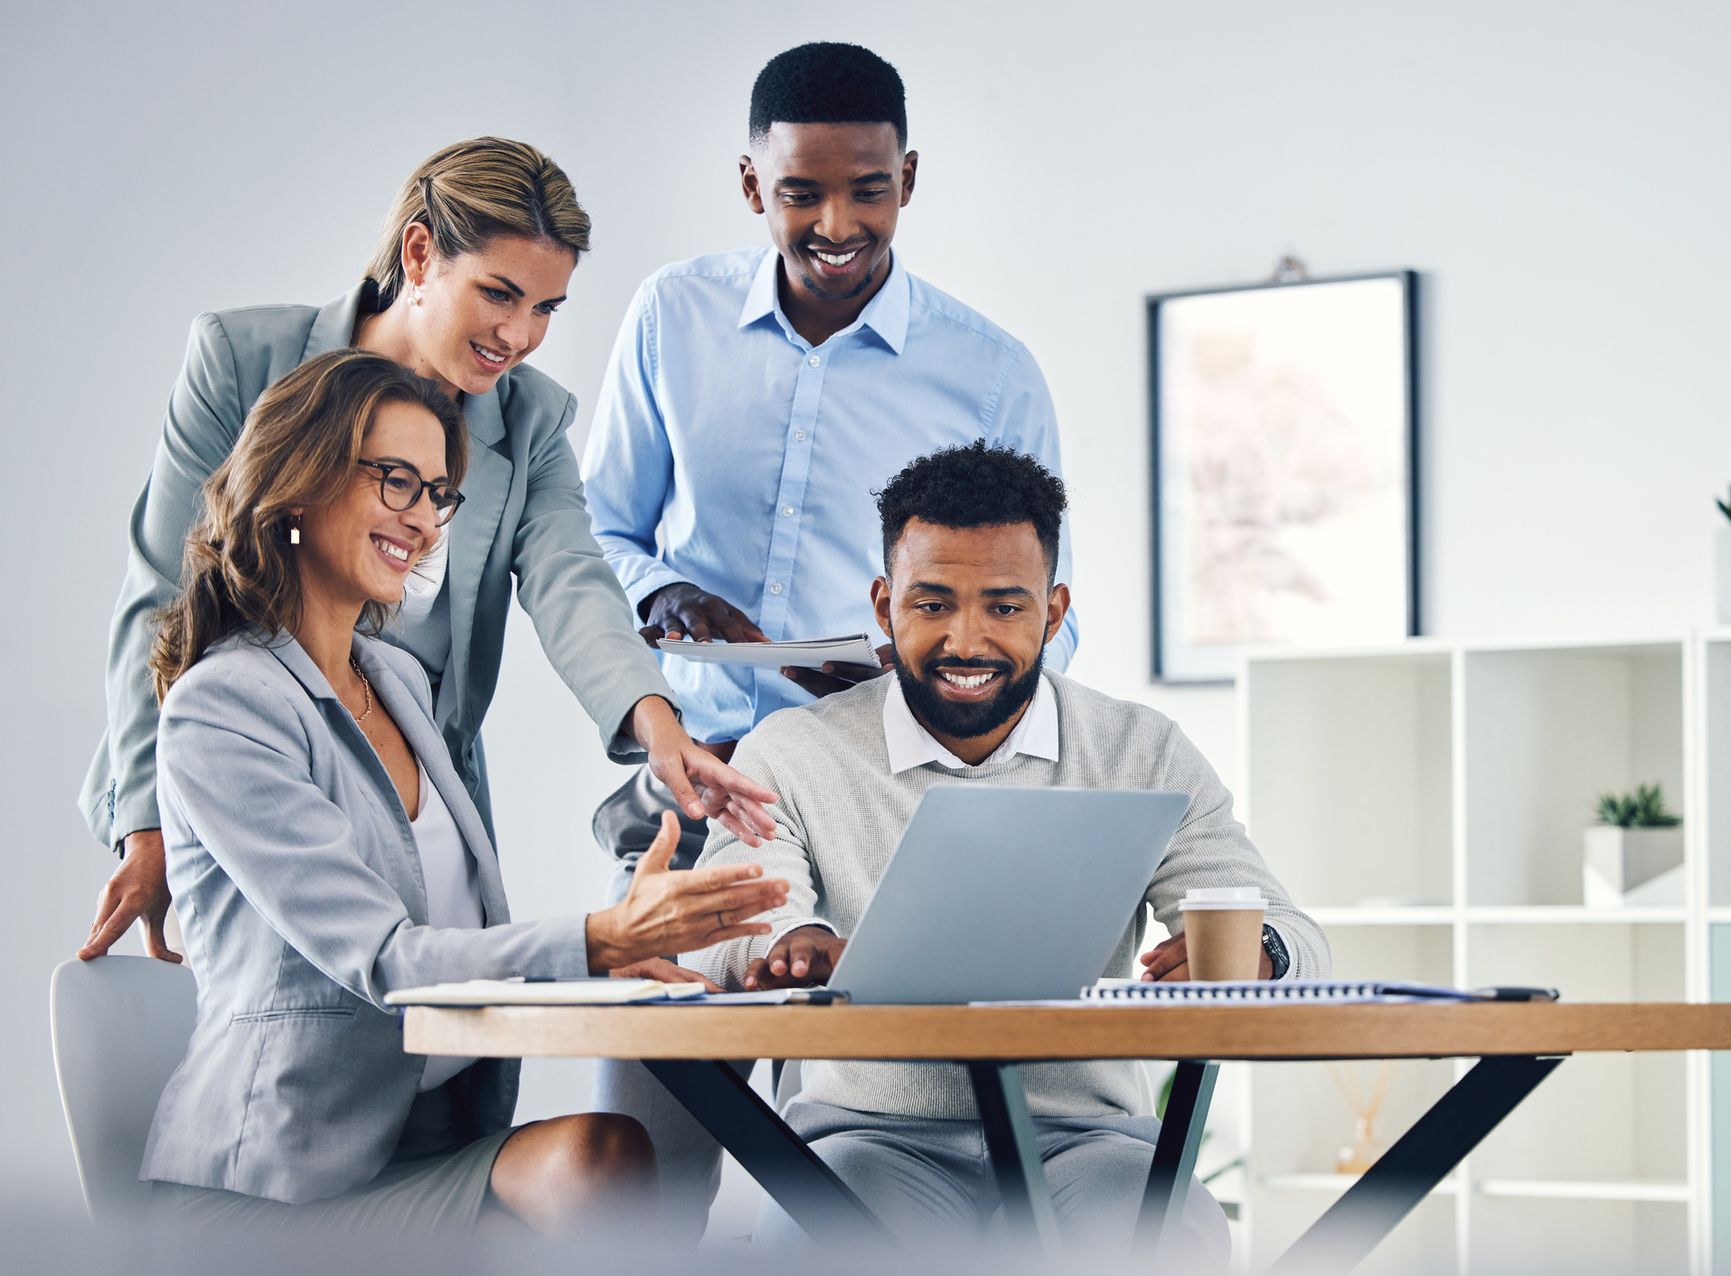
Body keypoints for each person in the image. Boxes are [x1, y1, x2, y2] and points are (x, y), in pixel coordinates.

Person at [579, 43, 1077, 1218]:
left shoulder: (991, 373)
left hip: (876, 804)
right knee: (641, 1156)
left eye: (867, 188)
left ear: (909, 178)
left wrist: (912, 666)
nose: (836, 221)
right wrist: (661, 595)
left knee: (863, 1167)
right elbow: (591, 532)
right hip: (686, 795)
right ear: (754, 186)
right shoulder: (672, 318)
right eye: (802, 192)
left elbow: (1040, 626)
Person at [79, 136, 776, 974]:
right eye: (499, 294)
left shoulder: (528, 422)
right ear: (420, 253)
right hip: (254, 766)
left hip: (419, 782)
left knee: (444, 1049)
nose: (519, 335)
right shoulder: (243, 362)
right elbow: (163, 591)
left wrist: (663, 731)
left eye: (548, 308)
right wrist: (148, 822)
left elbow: (572, 581)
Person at [140, 348, 789, 1232]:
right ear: (299, 484)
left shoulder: (398, 681)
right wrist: (594, 941)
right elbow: (388, 959)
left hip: (438, 1143)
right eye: (396, 482)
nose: (424, 521)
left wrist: (612, 960)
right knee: (601, 1165)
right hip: (277, 1187)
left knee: (612, 1151)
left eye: (438, 494)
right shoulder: (224, 706)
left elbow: (463, 939)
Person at [684, 442, 1329, 1258]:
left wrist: (1258, 955)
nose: (967, 640)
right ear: (884, 606)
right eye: (932, 605)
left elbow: (1288, 929)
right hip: (869, 1141)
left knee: (1159, 1239)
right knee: (818, 1245)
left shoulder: (1140, 748)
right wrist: (781, 946)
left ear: (1054, 613)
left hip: (1087, 1145)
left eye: (1004, 607)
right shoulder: (793, 750)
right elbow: (724, 927)